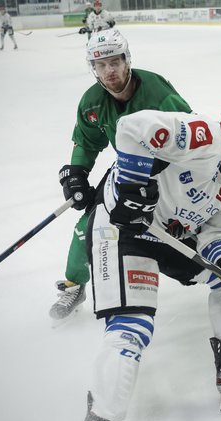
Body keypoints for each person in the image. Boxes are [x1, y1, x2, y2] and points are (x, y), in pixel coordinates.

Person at [78, 101, 221, 421]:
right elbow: (132, 128)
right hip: (122, 229)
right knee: (133, 328)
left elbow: (220, 231)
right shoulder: (201, 137)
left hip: (169, 236)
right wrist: (131, 186)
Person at [51, 28, 192, 323]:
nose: (109, 71)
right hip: (128, 172)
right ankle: (74, 285)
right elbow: (87, 142)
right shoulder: (92, 102)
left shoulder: (158, 92)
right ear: (93, 68)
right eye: (100, 65)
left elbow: (190, 138)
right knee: (87, 227)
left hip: (171, 170)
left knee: (190, 228)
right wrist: (76, 172)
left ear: (127, 60)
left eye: (114, 62)